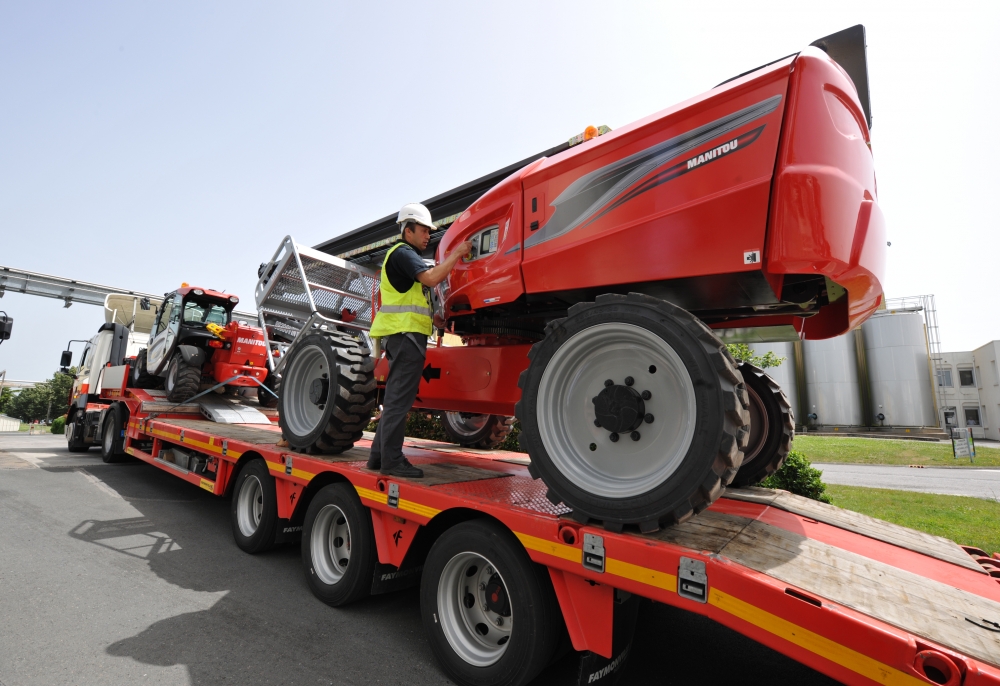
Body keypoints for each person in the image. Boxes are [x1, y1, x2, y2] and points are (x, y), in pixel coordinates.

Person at [366, 203, 471, 478]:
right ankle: (392, 461)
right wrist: (458, 253)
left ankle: (378, 457)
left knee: (395, 399)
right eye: (424, 230)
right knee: (399, 400)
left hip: (403, 336)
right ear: (408, 229)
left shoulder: (403, 256)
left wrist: (434, 321)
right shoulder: (403, 254)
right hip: (405, 337)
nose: (428, 236)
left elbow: (414, 299)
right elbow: (432, 276)